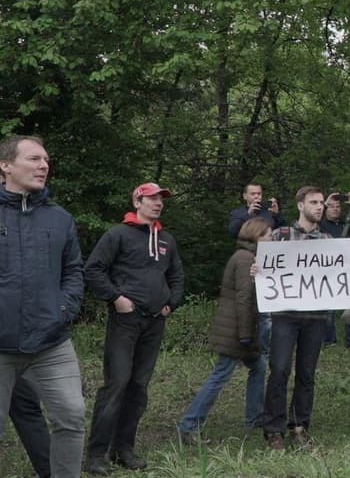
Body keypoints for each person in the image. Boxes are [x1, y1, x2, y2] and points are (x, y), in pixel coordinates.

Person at [0, 135, 86, 478]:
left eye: (46, 159)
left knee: (72, 414)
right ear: (6, 165)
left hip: (51, 342)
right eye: (34, 159)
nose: (44, 165)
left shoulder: (60, 218)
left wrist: (63, 309)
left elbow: (74, 271)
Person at [84, 182, 185, 474]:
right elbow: (93, 269)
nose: (158, 203)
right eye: (151, 198)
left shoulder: (166, 238)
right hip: (125, 321)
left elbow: (177, 276)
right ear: (137, 201)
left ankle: (123, 448)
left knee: (138, 387)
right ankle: (96, 454)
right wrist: (116, 298)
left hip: (155, 321)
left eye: (161, 199)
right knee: (116, 384)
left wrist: (171, 303)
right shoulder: (118, 234)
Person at [177, 218, 272, 443]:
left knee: (258, 367)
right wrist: (246, 335)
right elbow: (243, 298)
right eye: (268, 234)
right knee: (221, 375)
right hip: (236, 330)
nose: (272, 238)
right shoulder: (244, 259)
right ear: (256, 236)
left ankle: (254, 418)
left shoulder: (250, 258)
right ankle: (189, 425)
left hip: (239, 328)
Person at [261, 186, 332, 450]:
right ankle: (273, 429)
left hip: (315, 317)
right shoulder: (280, 236)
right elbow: (265, 267)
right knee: (279, 369)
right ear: (300, 205)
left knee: (307, 373)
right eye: (314, 202)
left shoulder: (328, 241)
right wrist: (258, 268)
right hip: (285, 315)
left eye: (321, 202)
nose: (319, 206)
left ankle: (299, 426)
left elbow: (337, 275)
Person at [320, 191, 350, 348]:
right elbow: (312, 220)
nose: (335, 209)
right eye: (331, 207)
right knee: (328, 309)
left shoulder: (346, 225)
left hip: (347, 270)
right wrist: (324, 203)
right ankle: (329, 340)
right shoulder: (321, 226)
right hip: (327, 270)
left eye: (338, 206)